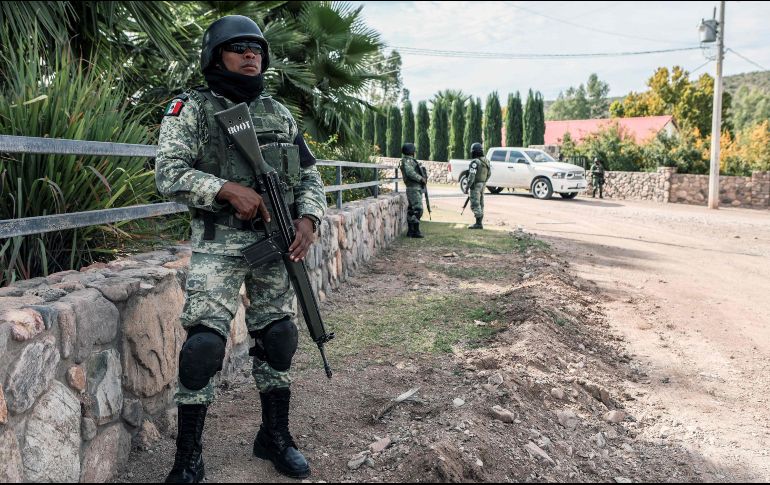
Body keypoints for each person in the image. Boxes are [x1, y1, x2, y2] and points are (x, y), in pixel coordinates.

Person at [155, 15, 326, 483]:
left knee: (279, 337)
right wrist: (226, 188)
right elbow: (168, 173)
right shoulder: (190, 108)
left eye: (257, 49)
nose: (251, 54)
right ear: (216, 56)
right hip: (218, 241)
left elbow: (310, 174)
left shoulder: (278, 113)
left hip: (276, 243)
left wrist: (309, 217)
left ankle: (274, 437)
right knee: (204, 348)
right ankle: (188, 456)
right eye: (239, 48)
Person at [399, 142, 425, 238]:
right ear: (411, 151)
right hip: (413, 188)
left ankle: (411, 231)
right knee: (418, 209)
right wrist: (421, 178)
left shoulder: (408, 160)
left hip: (413, 188)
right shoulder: (407, 161)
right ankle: (416, 231)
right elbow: (410, 172)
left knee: (412, 210)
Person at [467, 142, 490, 229]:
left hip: (475, 185)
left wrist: (467, 187)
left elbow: (471, 176)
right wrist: (484, 182)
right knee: (481, 203)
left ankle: (478, 224)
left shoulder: (475, 162)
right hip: (483, 184)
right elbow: (489, 173)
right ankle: (479, 222)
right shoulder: (486, 160)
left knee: (475, 204)